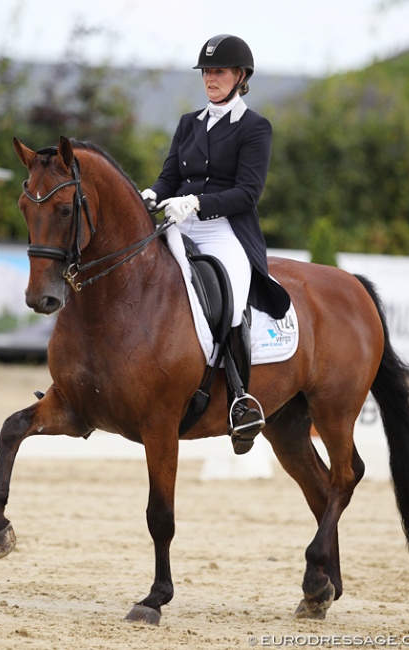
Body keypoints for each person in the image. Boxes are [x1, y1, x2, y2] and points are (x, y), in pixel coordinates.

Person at [141, 34, 290, 454]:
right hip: (179, 223)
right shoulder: (189, 122)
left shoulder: (255, 127)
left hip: (226, 229)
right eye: (207, 71)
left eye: (219, 71)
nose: (211, 78)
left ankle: (241, 398)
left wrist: (198, 202)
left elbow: (248, 193)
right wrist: (152, 195)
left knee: (228, 298)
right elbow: (169, 175)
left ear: (240, 77)